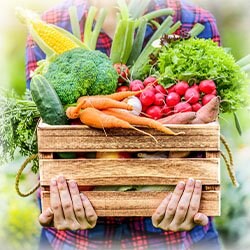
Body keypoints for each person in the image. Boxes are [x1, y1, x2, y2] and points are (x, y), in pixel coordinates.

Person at [26, 0, 222, 249]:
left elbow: (206, 140)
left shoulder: (196, 21)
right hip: (76, 241)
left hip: (179, 240)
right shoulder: (48, 24)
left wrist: (195, 200)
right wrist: (56, 199)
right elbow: (42, 136)